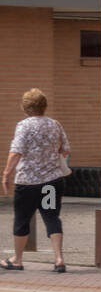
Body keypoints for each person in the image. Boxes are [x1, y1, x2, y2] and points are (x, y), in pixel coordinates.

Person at [2, 89, 70, 272]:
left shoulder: (23, 126)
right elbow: (65, 150)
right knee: (51, 217)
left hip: (28, 184)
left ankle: (17, 260)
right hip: (51, 182)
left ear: (25, 107)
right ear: (44, 106)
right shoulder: (55, 124)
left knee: (22, 219)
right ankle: (59, 259)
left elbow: (16, 152)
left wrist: (6, 174)